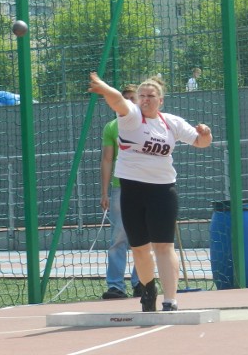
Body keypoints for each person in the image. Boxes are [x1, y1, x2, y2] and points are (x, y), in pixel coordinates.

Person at [88, 72, 212, 312]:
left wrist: (206, 134)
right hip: (132, 191)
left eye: (150, 96)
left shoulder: (171, 123)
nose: (144, 99)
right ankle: (148, 290)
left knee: (164, 246)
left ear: (161, 100)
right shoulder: (132, 118)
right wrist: (104, 87)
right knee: (140, 249)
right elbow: (117, 101)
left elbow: (200, 142)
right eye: (141, 96)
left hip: (163, 192)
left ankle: (170, 300)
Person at [101, 84, 141, 299]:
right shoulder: (111, 127)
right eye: (124, 99)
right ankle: (116, 285)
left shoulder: (147, 124)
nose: (127, 102)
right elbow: (107, 159)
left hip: (145, 188)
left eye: (132, 99)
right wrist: (104, 192)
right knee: (118, 237)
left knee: (143, 238)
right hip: (121, 189)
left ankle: (141, 283)